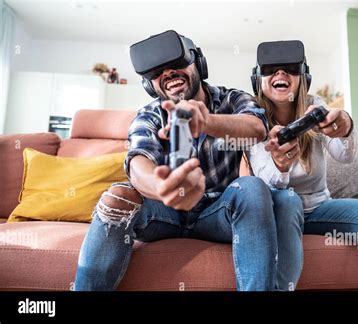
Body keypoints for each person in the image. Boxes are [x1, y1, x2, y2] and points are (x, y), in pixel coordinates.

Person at [74, 30, 303, 291]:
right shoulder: (149, 115)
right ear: (150, 85)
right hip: (165, 211)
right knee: (117, 197)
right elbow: (138, 161)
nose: (168, 73)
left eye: (177, 64)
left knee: (252, 187)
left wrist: (207, 121)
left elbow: (256, 127)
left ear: (199, 64)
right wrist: (163, 187)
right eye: (157, 72)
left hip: (217, 213)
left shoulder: (232, 99)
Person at [248, 40, 358, 291]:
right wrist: (281, 164)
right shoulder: (250, 117)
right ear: (258, 80)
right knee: (288, 199)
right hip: (277, 211)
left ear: (304, 78)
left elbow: (345, 156)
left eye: (290, 69)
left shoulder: (315, 107)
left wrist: (345, 125)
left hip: (318, 208)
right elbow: (266, 181)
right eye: (271, 69)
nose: (280, 74)